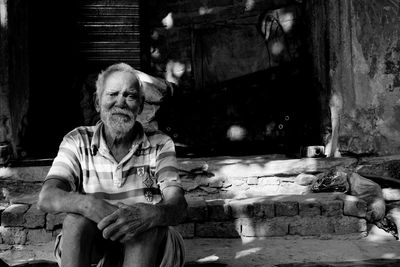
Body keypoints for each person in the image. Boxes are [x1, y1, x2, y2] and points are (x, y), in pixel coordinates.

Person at [37, 63, 187, 267]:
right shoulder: (77, 140)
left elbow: (178, 205)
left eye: (130, 96)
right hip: (99, 244)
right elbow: (47, 197)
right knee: (76, 221)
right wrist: (90, 204)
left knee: (146, 227)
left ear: (141, 106)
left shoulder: (159, 143)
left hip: (151, 247)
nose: (121, 103)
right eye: (112, 94)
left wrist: (150, 213)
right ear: (97, 103)